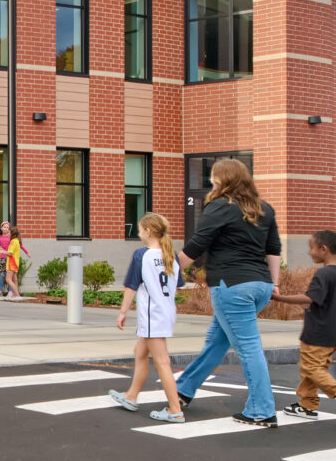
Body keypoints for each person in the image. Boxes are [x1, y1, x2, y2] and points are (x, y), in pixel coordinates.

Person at [172, 158, 284, 427]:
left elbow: (198, 243)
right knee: (217, 342)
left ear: (223, 180)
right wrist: (275, 284)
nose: (211, 182)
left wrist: (169, 272)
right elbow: (274, 250)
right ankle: (184, 389)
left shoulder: (219, 206)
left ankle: (262, 410)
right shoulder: (264, 209)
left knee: (248, 348)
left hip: (231, 286)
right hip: (260, 286)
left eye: (214, 177)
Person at [272, 228, 336, 424]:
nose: (309, 252)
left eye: (311, 248)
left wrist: (278, 297)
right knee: (315, 368)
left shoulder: (323, 274)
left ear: (323, 249)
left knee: (311, 368)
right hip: (333, 330)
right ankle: (307, 404)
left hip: (317, 331)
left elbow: (309, 297)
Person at [109, 212, 184, 423]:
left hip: (152, 315)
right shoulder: (171, 255)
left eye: (140, 230)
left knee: (162, 362)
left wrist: (123, 311)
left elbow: (131, 287)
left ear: (148, 231)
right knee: (140, 352)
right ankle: (131, 396)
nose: (139, 234)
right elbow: (177, 284)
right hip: (166, 312)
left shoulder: (141, 255)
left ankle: (175, 409)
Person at [3, 226, 27, 301]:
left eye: (9, 232)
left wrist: (2, 251)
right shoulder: (17, 241)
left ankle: (17, 295)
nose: (8, 233)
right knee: (14, 279)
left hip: (11, 263)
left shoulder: (13, 241)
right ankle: (17, 294)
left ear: (12, 233)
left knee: (8, 279)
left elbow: (10, 253)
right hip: (15, 263)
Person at [0, 224, 14, 297]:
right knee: (2, 275)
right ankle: (0, 292)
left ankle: (10, 292)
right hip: (2, 258)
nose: (6, 229)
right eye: (5, 227)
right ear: (1, 228)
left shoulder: (10, 237)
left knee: (9, 276)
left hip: (9, 258)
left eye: (8, 227)